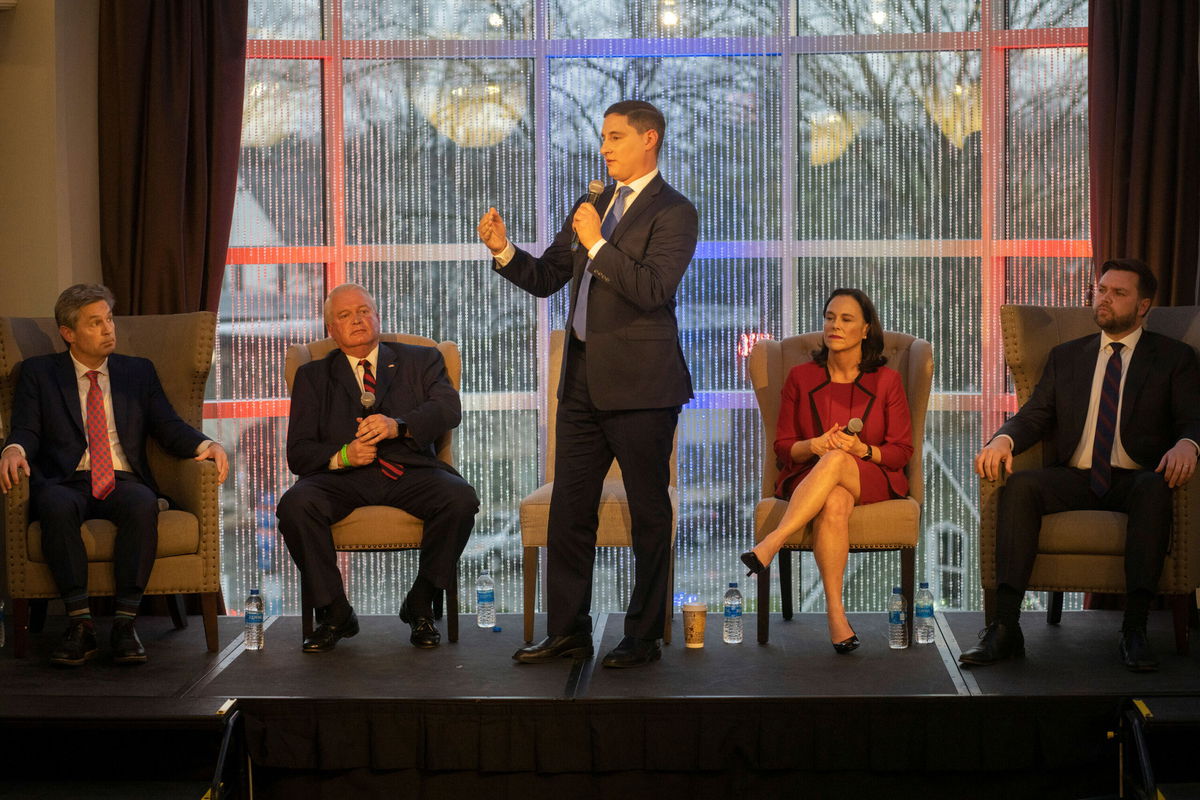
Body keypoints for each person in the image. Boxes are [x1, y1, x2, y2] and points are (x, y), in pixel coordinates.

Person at [477, 99, 697, 668]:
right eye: (602, 138)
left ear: (650, 139)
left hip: (643, 390)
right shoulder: (592, 202)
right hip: (580, 386)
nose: (604, 148)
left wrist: (599, 243)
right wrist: (502, 250)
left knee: (650, 513)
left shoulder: (675, 212)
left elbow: (651, 289)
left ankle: (643, 635)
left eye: (616, 137)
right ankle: (568, 630)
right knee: (569, 512)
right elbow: (550, 276)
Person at [963, 259, 1200, 672]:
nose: (1104, 299)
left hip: (1136, 477)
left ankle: (1135, 629)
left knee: (1153, 489)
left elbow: (1191, 418)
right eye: (1101, 289)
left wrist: (1188, 443)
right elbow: (1035, 414)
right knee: (1019, 488)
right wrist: (1003, 438)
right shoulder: (1067, 357)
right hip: (1075, 476)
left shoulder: (1172, 358)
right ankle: (1005, 627)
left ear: (1143, 306)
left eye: (1118, 293)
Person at [0, 283, 230, 667]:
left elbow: (169, 425)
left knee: (143, 504)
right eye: (95, 323)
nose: (109, 329)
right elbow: (26, 429)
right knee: (54, 505)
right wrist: (12, 448)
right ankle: (80, 624)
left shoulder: (137, 372)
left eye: (108, 319)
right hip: (66, 480)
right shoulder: (39, 374)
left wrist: (206, 445)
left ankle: (125, 623)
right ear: (68, 333)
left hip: (122, 480)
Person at [277, 283, 478, 652]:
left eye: (364, 310)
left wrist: (397, 425)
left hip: (410, 471)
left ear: (377, 317)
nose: (357, 319)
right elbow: (299, 453)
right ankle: (335, 611)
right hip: (342, 478)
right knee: (295, 506)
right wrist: (344, 455)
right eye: (345, 315)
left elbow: (449, 410)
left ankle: (421, 602)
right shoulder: (313, 376)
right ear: (331, 330)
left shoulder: (422, 360)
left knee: (461, 499)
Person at [740, 288, 913, 653]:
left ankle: (772, 541)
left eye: (846, 319)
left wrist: (862, 449)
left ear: (865, 329)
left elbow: (902, 451)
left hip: (872, 476)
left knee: (838, 460)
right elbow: (784, 446)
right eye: (830, 317)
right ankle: (837, 616)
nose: (835, 325)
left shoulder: (887, 382)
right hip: (809, 477)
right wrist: (813, 445)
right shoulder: (801, 378)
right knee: (834, 499)